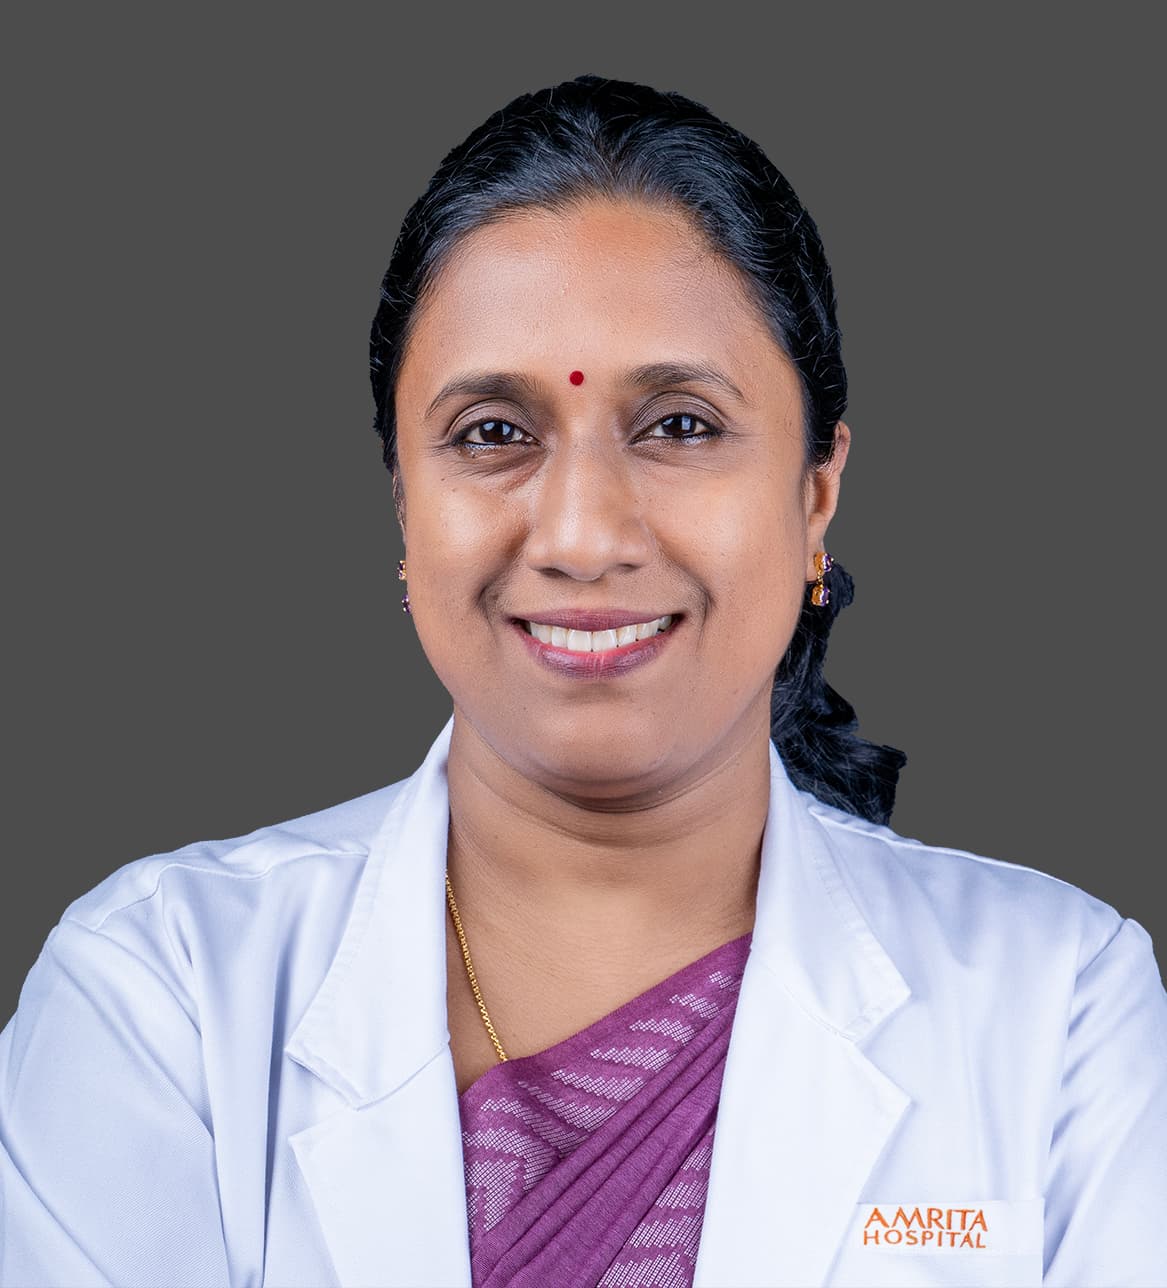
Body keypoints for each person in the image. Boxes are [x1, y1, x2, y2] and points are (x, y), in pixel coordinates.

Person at [2, 72, 1164, 1288]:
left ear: (817, 491)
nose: (582, 535)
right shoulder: (166, 992)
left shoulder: (1058, 1006)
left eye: (680, 425)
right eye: (494, 435)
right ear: (404, 503)